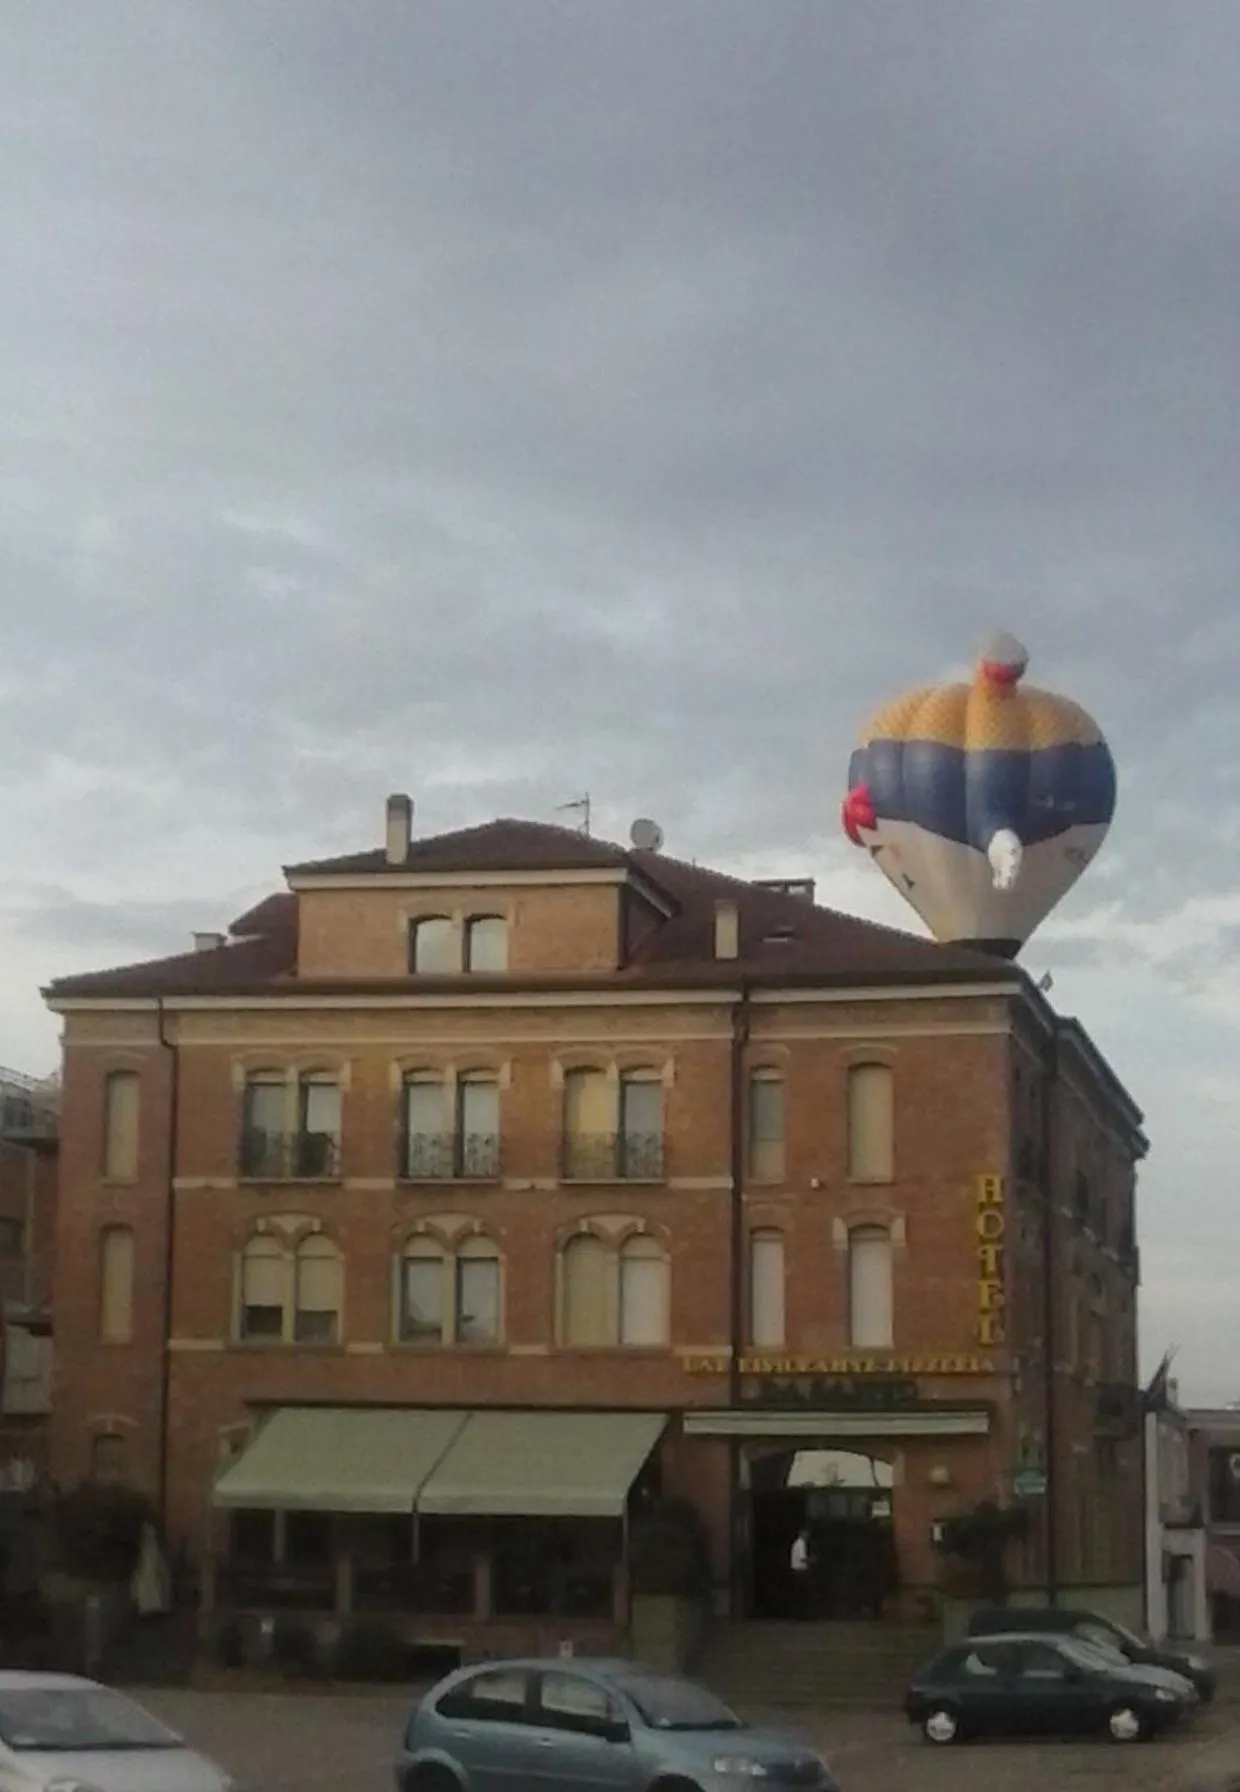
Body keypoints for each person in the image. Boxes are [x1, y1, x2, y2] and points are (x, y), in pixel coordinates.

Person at [789, 1526, 811, 1618]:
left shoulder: (796, 1543)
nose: (808, 1536)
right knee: (802, 1594)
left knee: (798, 1594)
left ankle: (798, 1614)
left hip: (796, 1571)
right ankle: (801, 1615)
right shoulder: (801, 1544)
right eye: (806, 1534)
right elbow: (802, 1559)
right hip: (800, 1571)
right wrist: (811, 1560)